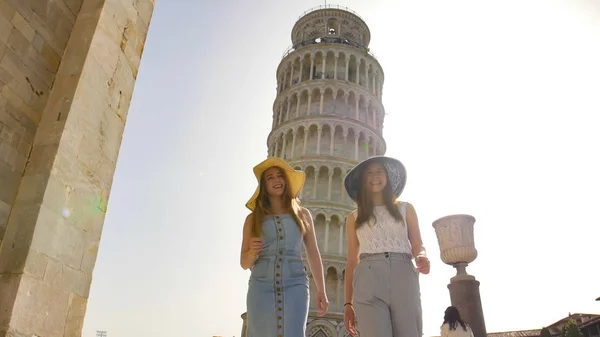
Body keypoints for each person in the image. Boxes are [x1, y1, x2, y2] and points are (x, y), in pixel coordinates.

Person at [240, 157, 329, 337]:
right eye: (270, 178)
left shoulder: (302, 214)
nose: (276, 180)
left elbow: (313, 253)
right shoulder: (253, 219)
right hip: (261, 284)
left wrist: (321, 289)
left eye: (280, 176)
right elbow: (244, 262)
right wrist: (252, 251)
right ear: (263, 185)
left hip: (294, 282)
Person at [343, 156, 430, 337]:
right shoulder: (353, 217)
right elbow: (352, 260)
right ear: (363, 180)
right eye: (369, 173)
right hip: (368, 277)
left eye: (379, 171)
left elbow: (417, 242)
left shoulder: (406, 208)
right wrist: (348, 304)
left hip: (403, 273)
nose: (375, 176)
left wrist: (422, 256)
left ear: (387, 177)